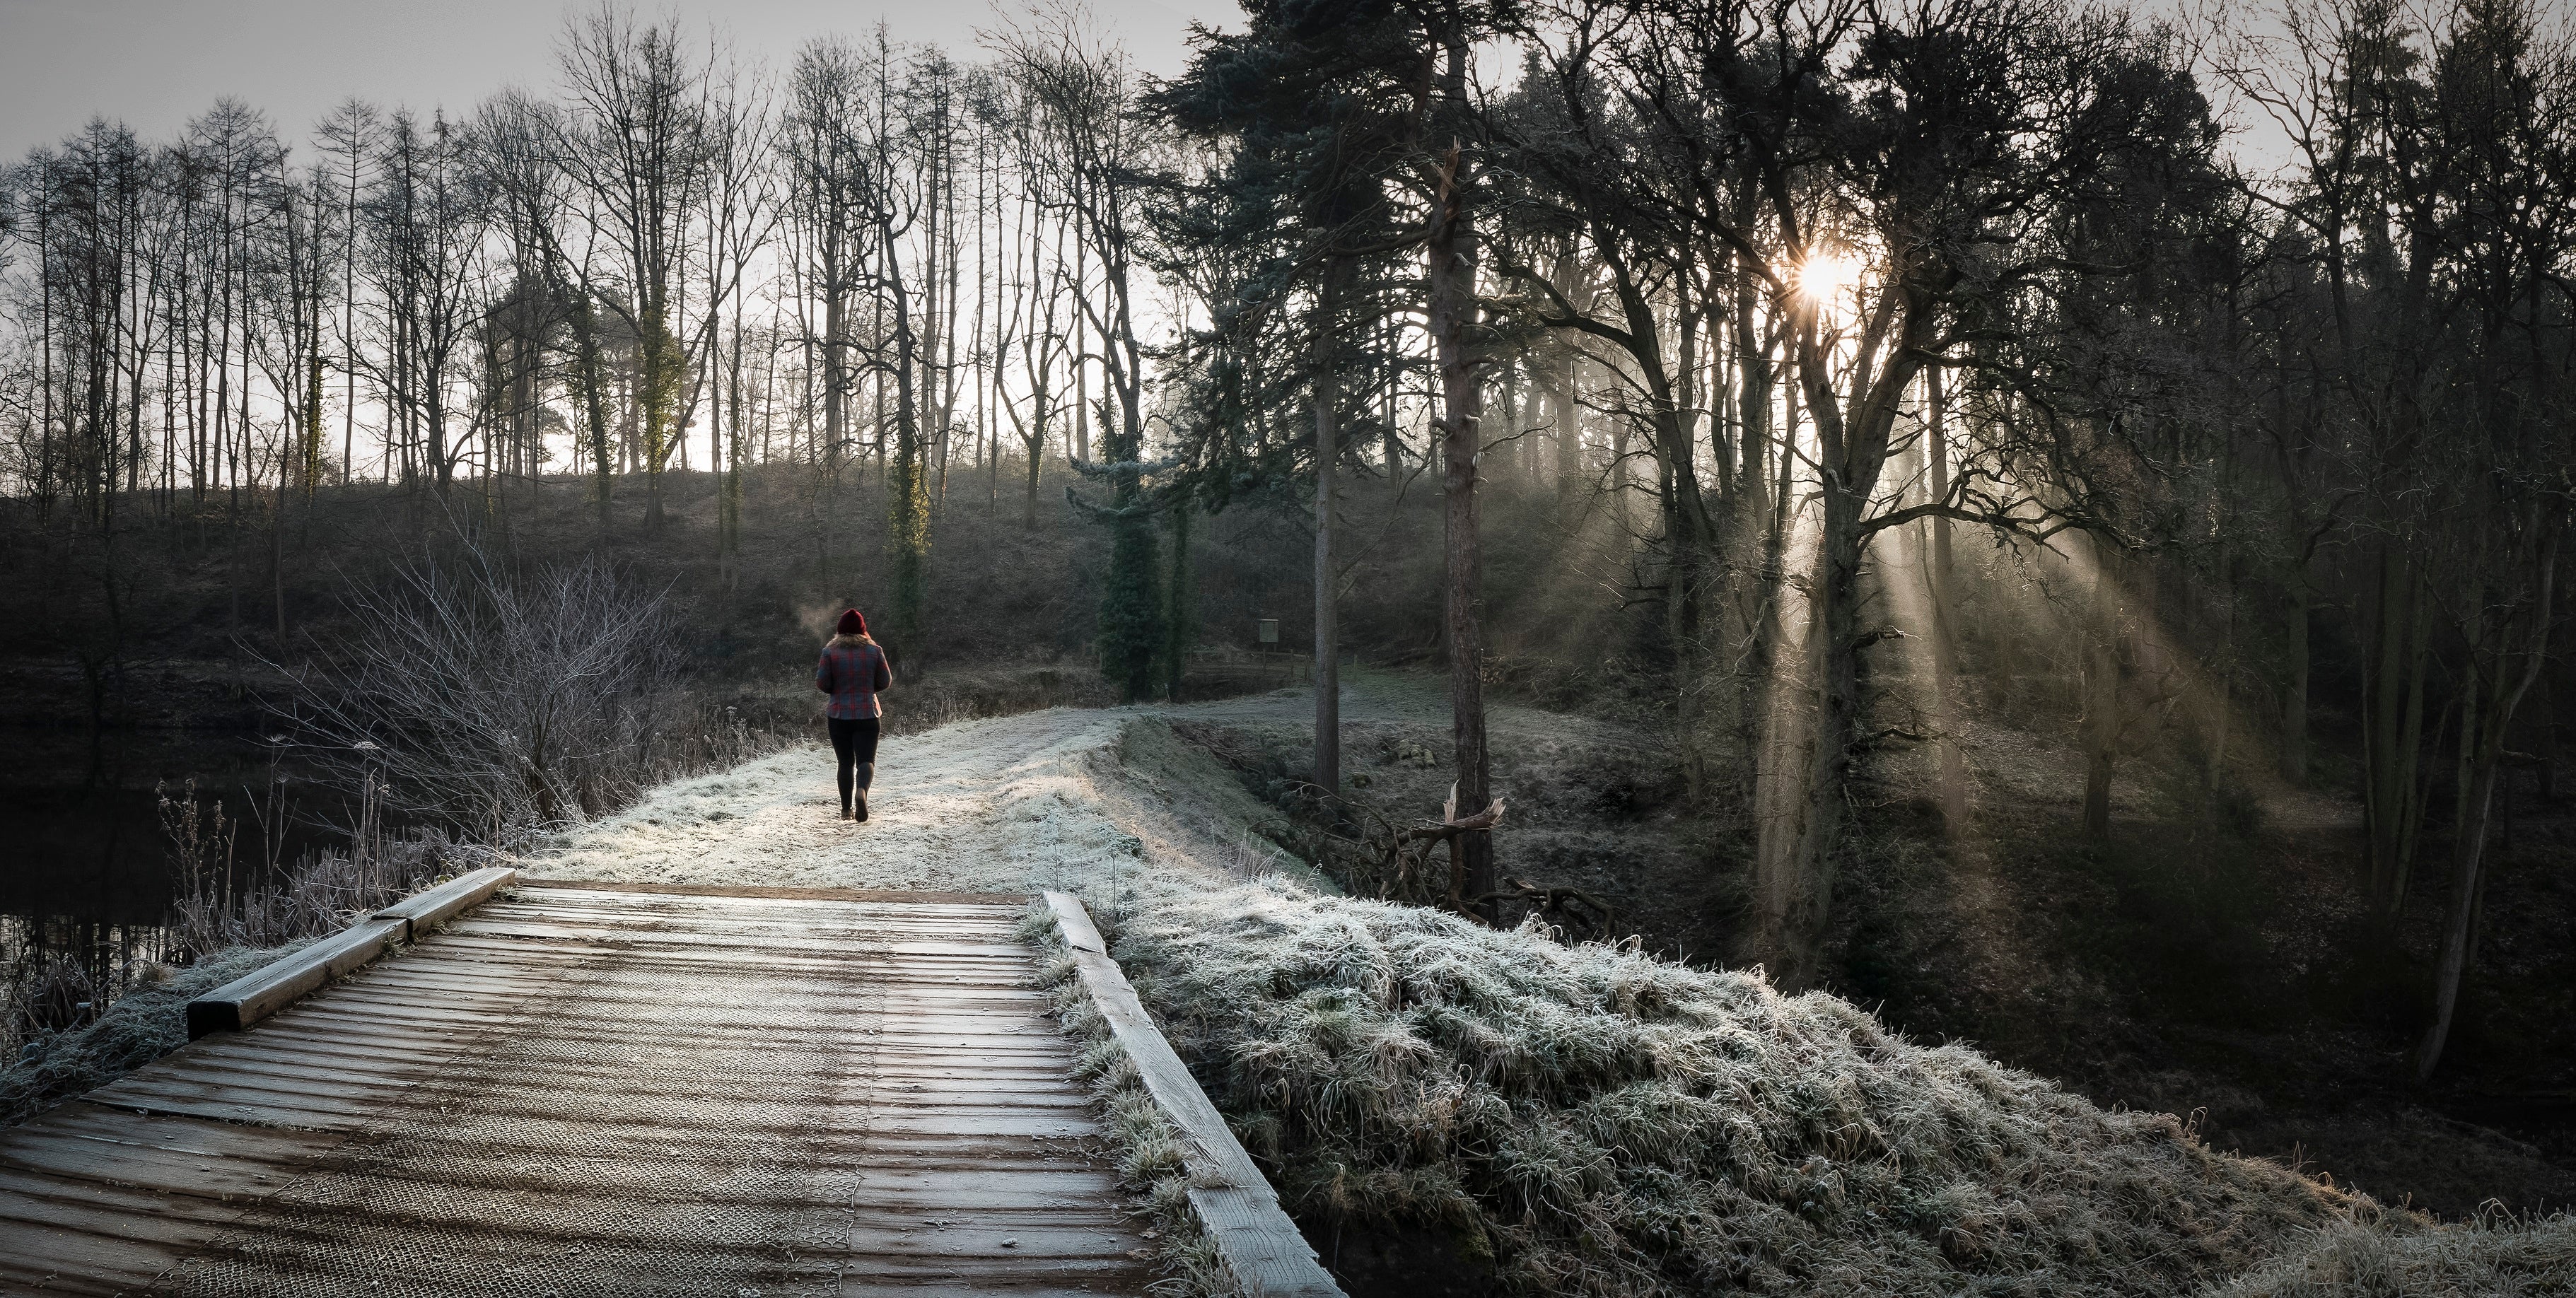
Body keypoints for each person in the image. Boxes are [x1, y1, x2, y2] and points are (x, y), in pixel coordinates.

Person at [815, 609, 892, 821]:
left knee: (845, 762)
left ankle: (846, 810)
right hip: (867, 713)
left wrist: (837, 690)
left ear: (839, 631)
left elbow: (822, 683)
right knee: (866, 760)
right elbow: (886, 681)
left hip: (839, 716)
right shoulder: (875, 651)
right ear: (863, 630)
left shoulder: (829, 653)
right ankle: (862, 792)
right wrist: (868, 688)